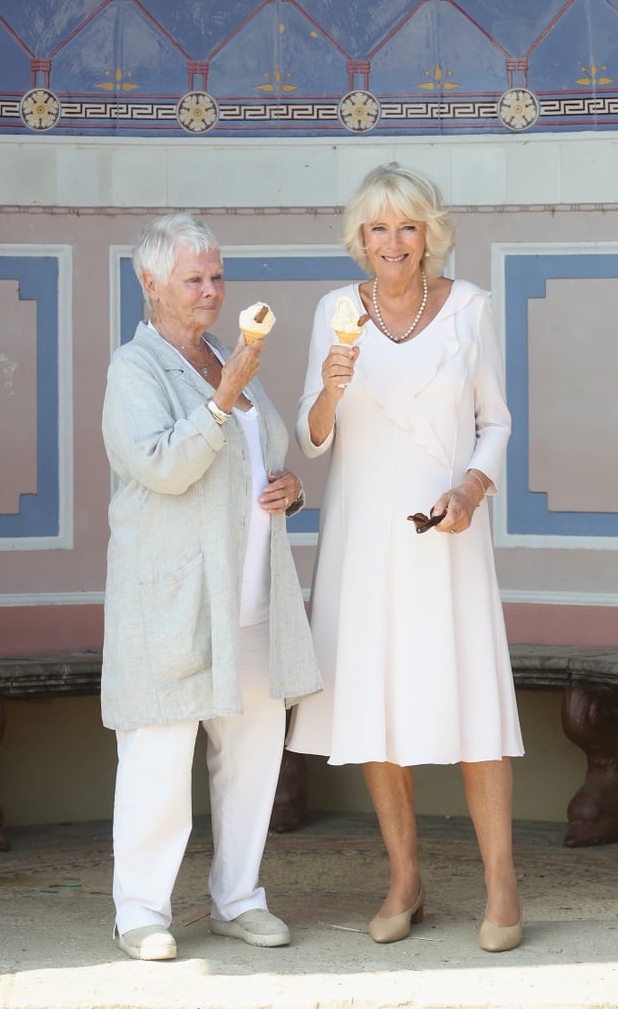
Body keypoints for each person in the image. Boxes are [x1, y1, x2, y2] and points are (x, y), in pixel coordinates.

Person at [286, 163, 524, 953]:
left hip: (448, 538)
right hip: (363, 536)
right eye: (379, 228)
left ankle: (501, 883)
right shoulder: (332, 311)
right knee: (375, 707)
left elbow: (495, 422)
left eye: (408, 227)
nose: (393, 243)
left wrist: (472, 490)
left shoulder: (470, 309)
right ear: (361, 237)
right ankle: (405, 879)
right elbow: (313, 437)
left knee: (475, 707)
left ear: (430, 235)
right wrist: (327, 386)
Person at [101, 212, 322, 961]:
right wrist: (223, 398)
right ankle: (140, 912)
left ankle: (237, 898)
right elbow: (164, 466)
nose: (210, 291)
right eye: (193, 279)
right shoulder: (135, 369)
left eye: (217, 276)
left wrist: (288, 487)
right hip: (176, 601)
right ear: (151, 283)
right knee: (159, 757)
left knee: (252, 758)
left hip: (253, 597)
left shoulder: (224, 354)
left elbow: (261, 460)